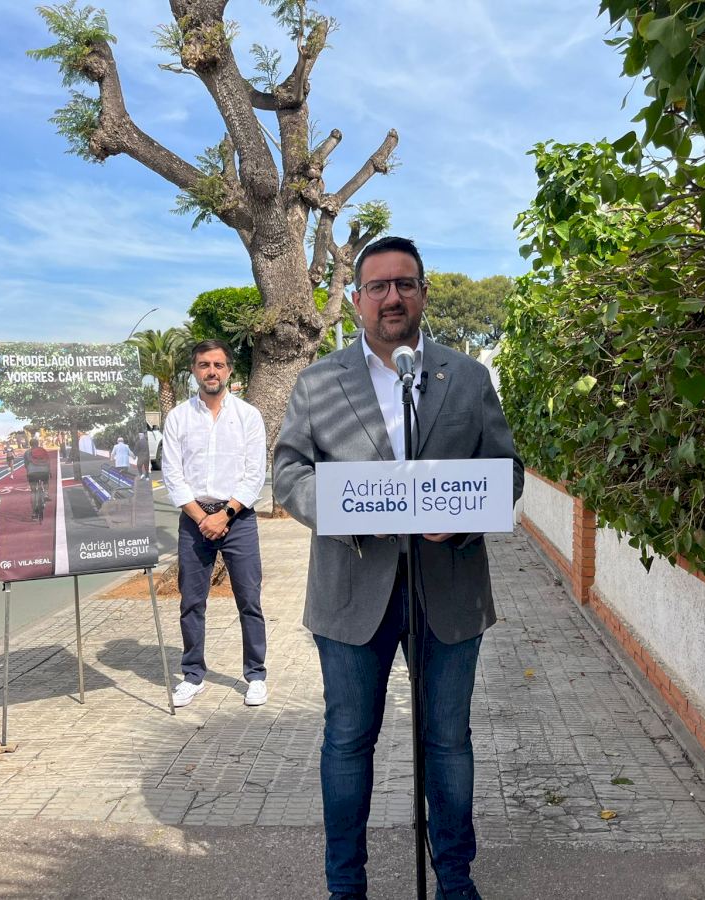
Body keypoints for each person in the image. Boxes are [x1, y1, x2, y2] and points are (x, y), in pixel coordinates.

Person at [273, 236, 524, 900]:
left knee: (449, 742)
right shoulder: (319, 381)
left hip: (450, 589)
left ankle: (455, 882)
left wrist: (462, 517)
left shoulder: (466, 377)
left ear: (423, 294)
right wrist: (352, 510)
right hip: (351, 591)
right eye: (378, 286)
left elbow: (506, 469)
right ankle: (345, 887)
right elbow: (289, 474)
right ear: (357, 299)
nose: (392, 297)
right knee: (348, 741)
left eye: (405, 284)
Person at [161, 339, 269, 708]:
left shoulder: (248, 416)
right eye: (204, 365)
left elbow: (255, 473)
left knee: (249, 600)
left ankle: (256, 675)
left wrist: (225, 515)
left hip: (238, 519)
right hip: (194, 520)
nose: (212, 371)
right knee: (192, 602)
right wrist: (201, 517)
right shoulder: (178, 417)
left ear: (229, 370)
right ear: (194, 370)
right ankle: (193, 675)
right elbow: (172, 473)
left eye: (218, 365)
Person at [23, 438, 50, 519]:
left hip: (32, 473)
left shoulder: (27, 453)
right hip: (44, 472)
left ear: (30, 444)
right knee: (46, 480)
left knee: (33, 491)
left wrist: (29, 472)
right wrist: (49, 471)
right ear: (38, 444)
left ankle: (34, 513)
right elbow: (48, 461)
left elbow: (26, 465)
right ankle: (46, 493)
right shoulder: (43, 450)